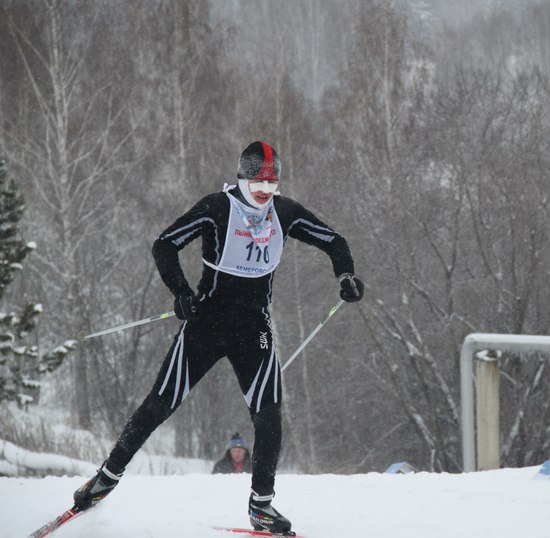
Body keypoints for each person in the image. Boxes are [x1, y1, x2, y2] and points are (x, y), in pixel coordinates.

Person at [72, 141, 364, 535]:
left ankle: (262, 505)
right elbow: (164, 244)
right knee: (160, 404)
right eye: (258, 182)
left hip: (254, 331)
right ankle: (104, 480)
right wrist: (180, 292)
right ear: (242, 178)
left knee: (270, 414)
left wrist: (345, 276)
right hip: (205, 326)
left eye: (272, 182)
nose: (265, 190)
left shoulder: (286, 213)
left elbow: (335, 242)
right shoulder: (216, 208)